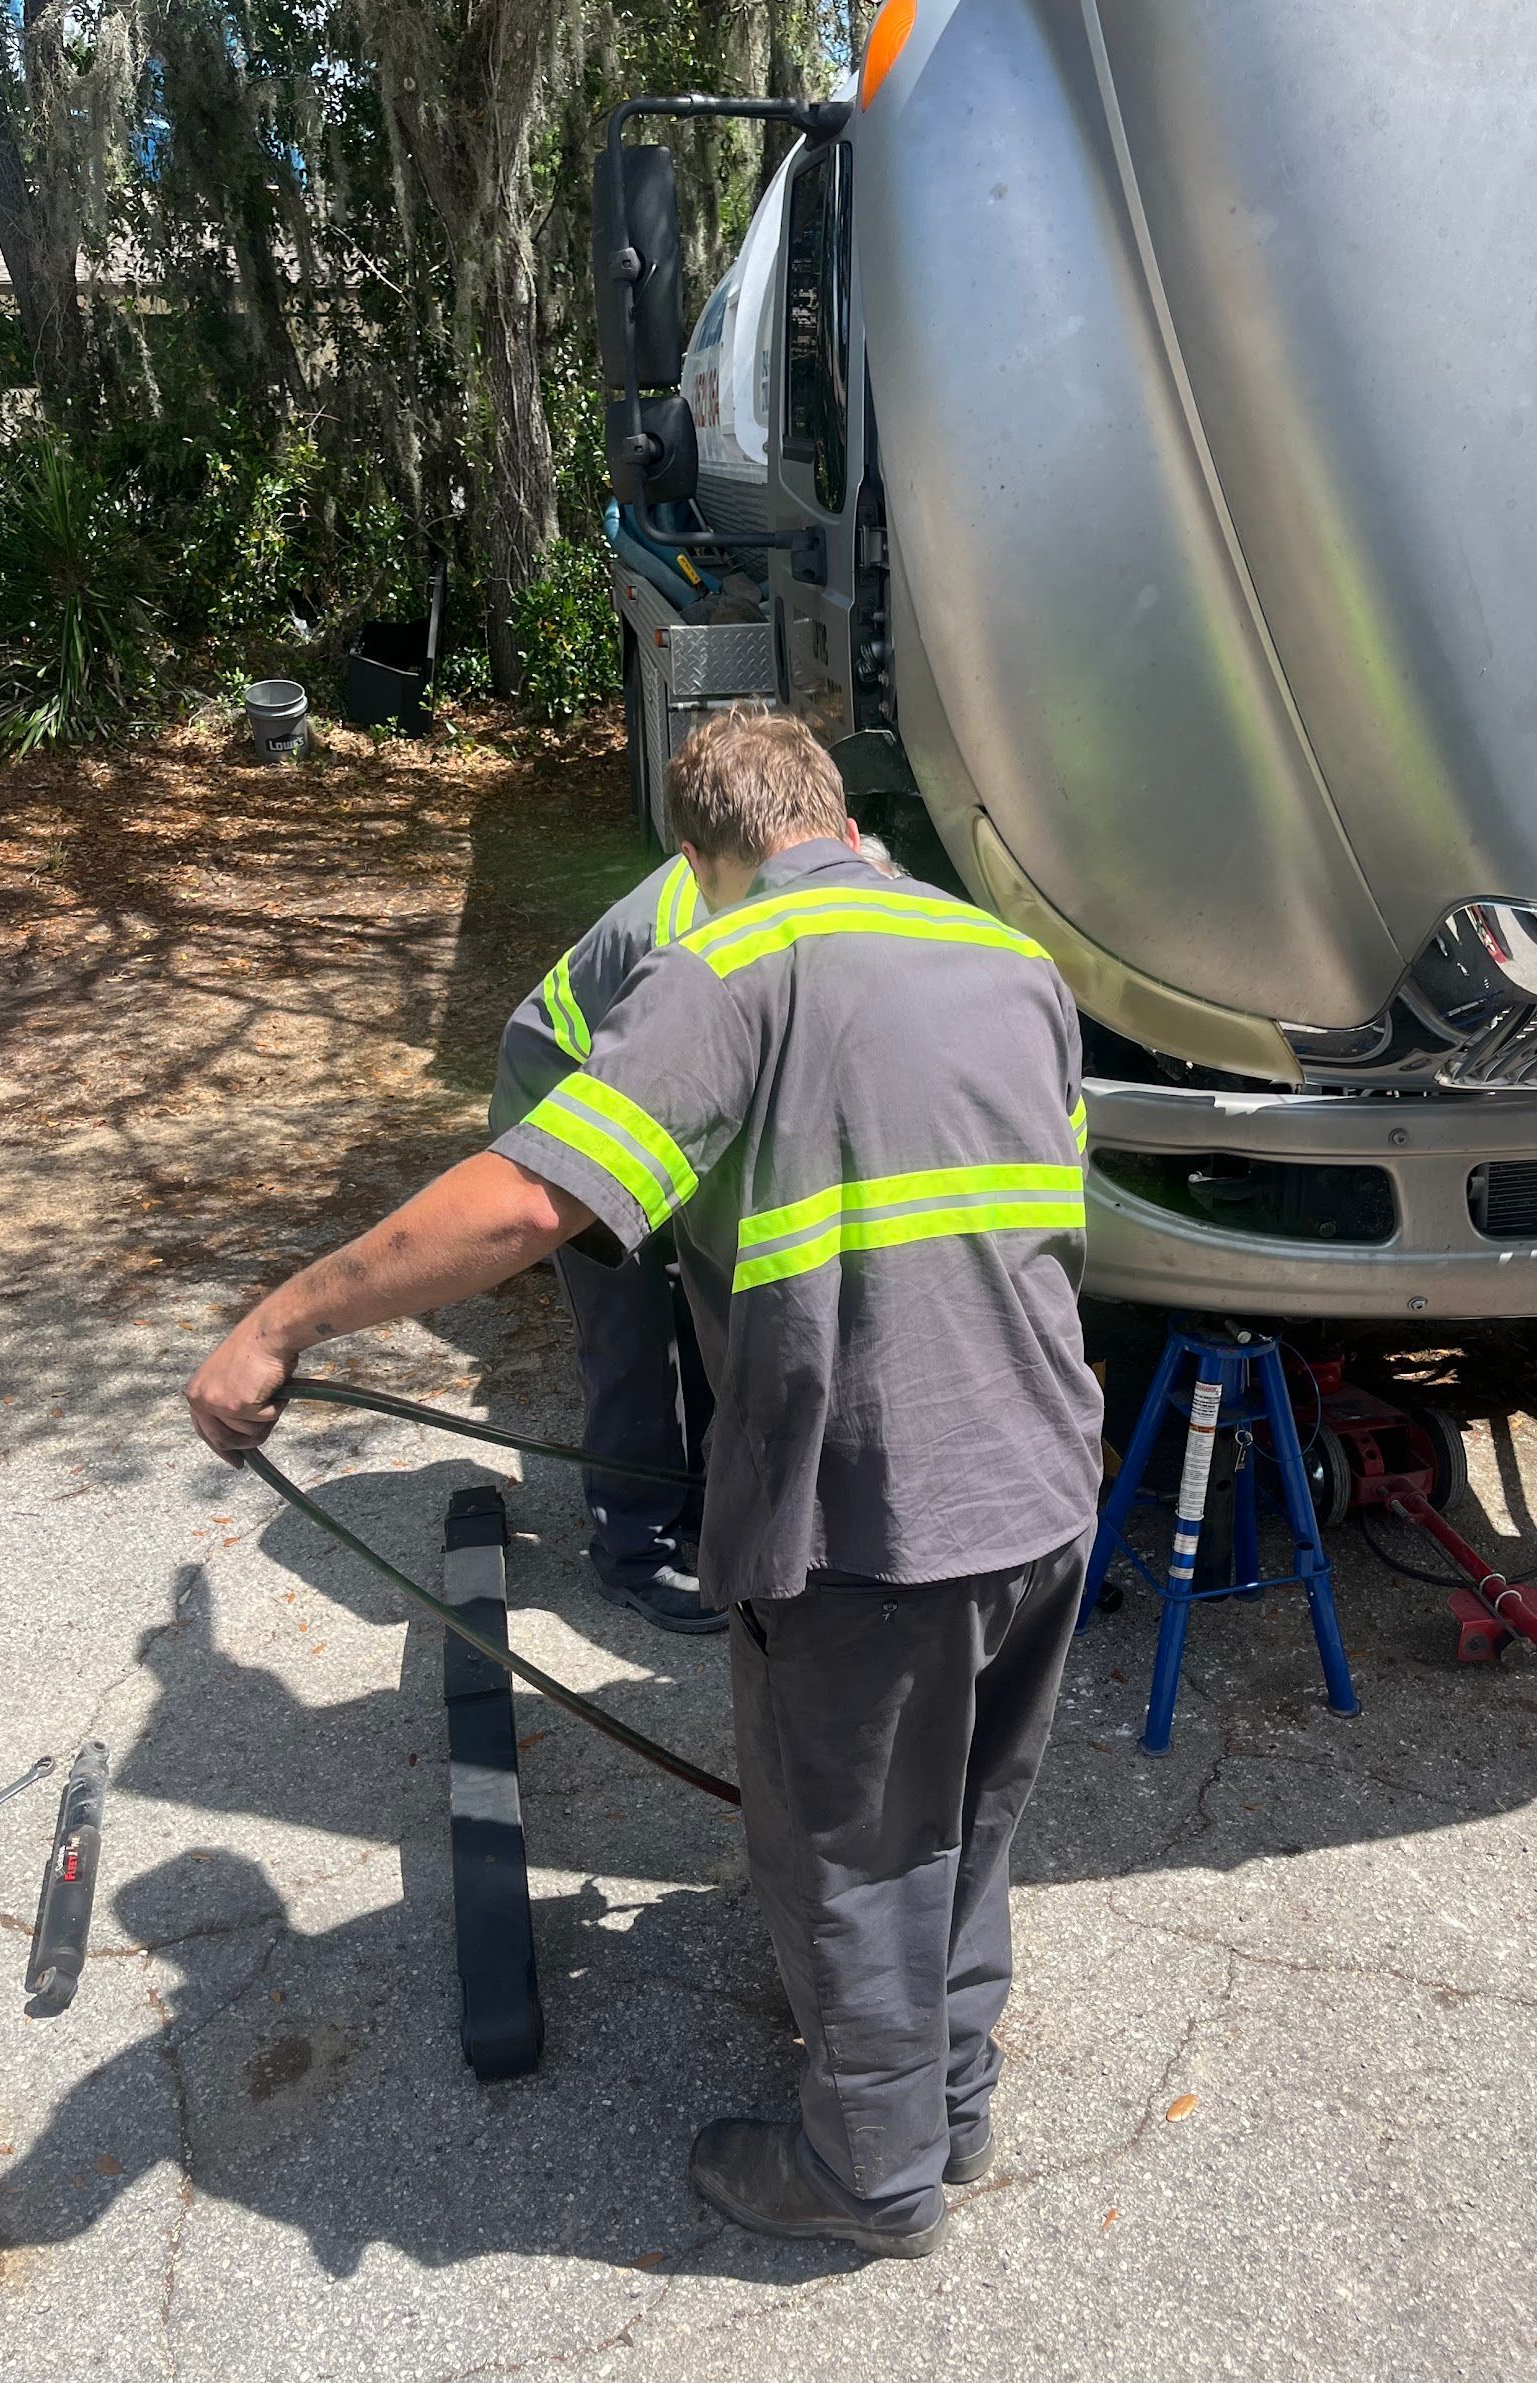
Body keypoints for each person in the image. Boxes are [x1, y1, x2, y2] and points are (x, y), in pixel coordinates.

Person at [186, 708, 1102, 2262]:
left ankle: (869, 2174)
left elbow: (530, 1197)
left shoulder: (730, 961)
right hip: (1043, 1481)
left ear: (699, 852)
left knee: (850, 1847)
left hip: (868, 1516)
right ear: (845, 816)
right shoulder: (1007, 963)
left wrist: (282, 1321)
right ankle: (944, 2093)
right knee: (956, 1815)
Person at [491, 851, 722, 1632]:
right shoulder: (696, 936)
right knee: (633, 1340)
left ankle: (698, 1516)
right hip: (569, 1100)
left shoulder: (756, 884)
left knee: (699, 1316)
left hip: (648, 1093)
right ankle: (634, 1554)